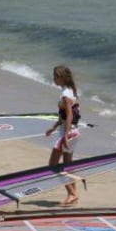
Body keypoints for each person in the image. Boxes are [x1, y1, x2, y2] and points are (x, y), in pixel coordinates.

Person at [44, 65, 80, 205]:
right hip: (74, 132)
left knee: (53, 165)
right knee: (68, 165)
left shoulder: (66, 94)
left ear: (62, 78)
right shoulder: (72, 91)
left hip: (68, 134)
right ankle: (73, 196)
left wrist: (65, 135)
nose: (53, 79)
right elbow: (64, 116)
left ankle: (72, 193)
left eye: (55, 77)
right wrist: (53, 128)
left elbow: (70, 115)